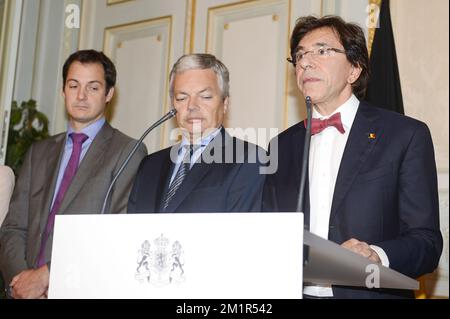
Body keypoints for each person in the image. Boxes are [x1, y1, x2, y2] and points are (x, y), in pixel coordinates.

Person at [262, 16, 442, 298]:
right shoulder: (280, 146)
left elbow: (427, 242)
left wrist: (377, 255)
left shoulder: (405, 136)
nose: (305, 62)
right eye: (299, 55)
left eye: (321, 51)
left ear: (354, 69)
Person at [0, 49, 147, 299]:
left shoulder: (128, 151)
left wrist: (47, 277)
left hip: (80, 289)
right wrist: (23, 281)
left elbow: (116, 232)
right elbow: (13, 227)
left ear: (109, 94)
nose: (81, 96)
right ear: (63, 90)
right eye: (73, 85)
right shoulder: (39, 151)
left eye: (93, 87)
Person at [128, 53, 265, 214]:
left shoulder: (248, 159)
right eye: (182, 98)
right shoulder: (150, 165)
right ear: (173, 105)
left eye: (205, 96)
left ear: (225, 104)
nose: (192, 106)